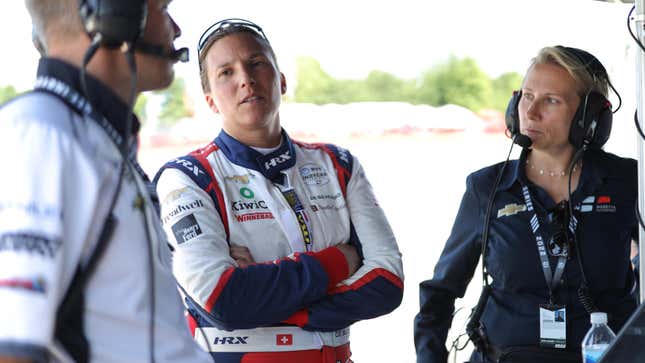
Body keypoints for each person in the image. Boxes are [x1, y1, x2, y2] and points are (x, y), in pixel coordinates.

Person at [154, 18, 404, 363]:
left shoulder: (339, 164)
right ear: (211, 101)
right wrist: (340, 260)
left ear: (281, 80)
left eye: (256, 63)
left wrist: (268, 302)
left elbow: (387, 283)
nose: (245, 78)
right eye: (226, 72)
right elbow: (224, 300)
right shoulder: (187, 178)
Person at [0, 1, 213, 363]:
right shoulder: (41, 133)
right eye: (162, 9)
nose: (176, 29)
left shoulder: (92, 135)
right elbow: (11, 348)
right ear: (110, 13)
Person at [414, 46, 638, 363]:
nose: (530, 113)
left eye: (551, 100)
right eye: (527, 96)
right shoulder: (486, 188)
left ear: (589, 116)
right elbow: (440, 292)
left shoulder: (628, 182)